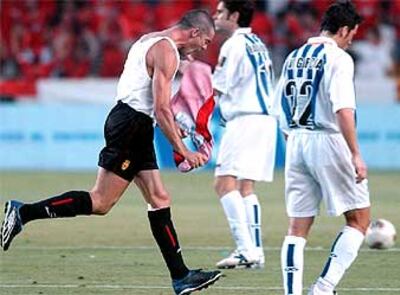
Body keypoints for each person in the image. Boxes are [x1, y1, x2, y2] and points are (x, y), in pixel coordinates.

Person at [0, 9, 222, 295]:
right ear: (194, 32)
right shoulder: (166, 51)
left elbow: (151, 103)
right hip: (132, 124)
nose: (205, 47)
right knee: (101, 201)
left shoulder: (150, 40)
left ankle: (181, 277)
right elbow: (161, 108)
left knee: (159, 198)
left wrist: (171, 129)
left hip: (131, 121)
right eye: (205, 41)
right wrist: (184, 151)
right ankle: (23, 212)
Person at [276, 2, 371, 294]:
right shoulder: (339, 59)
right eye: (351, 33)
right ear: (343, 30)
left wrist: (294, 145)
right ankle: (323, 287)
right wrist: (355, 153)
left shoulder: (294, 56)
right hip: (328, 140)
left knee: (297, 227)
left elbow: (280, 107)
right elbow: (343, 110)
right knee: (359, 219)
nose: (351, 39)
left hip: (296, 141)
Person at [212, 0, 278, 269]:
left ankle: (245, 249)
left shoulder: (233, 45)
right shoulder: (257, 43)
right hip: (264, 119)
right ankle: (256, 252)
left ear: (234, 15)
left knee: (222, 183)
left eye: (220, 12)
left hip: (244, 120)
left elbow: (218, 87)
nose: (215, 16)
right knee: (245, 187)